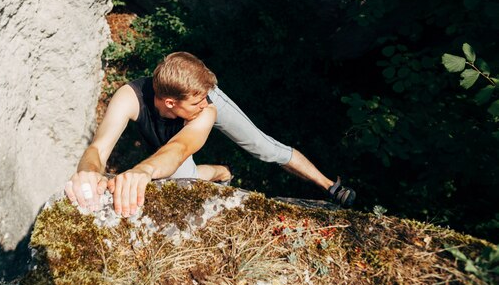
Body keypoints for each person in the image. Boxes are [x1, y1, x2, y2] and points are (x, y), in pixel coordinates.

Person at [65, 52, 355, 217]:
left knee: (263, 147)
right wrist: (88, 173)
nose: (206, 105)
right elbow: (98, 150)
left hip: (175, 142)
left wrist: (142, 171)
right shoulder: (130, 97)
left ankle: (328, 184)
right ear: (170, 103)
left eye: (207, 97)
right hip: (170, 139)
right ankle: (222, 172)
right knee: (182, 178)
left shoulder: (207, 106)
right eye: (197, 102)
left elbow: (180, 147)